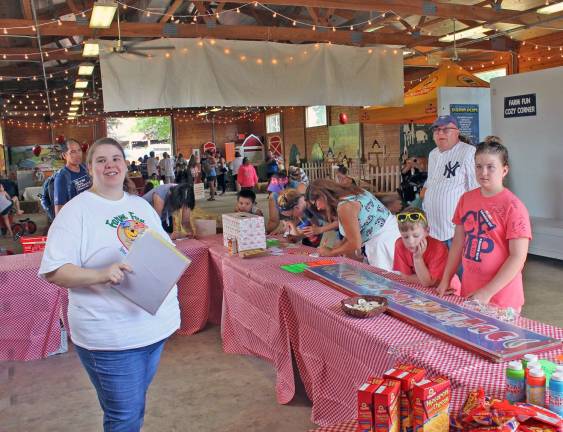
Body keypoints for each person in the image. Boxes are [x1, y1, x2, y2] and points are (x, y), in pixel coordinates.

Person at [38, 137, 180, 432]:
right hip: (111, 336)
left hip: (152, 329)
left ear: (126, 165)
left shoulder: (139, 207)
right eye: (100, 160)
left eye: (116, 158)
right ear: (89, 168)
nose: (110, 165)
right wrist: (102, 274)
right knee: (124, 417)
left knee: (134, 407)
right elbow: (54, 270)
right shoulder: (76, 212)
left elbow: (165, 249)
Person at [437, 140, 531, 312]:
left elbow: (518, 257)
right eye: (478, 166)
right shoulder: (466, 199)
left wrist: (488, 291)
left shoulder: (514, 207)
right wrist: (446, 279)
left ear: (504, 170)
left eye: (490, 167)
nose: (483, 172)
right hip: (470, 291)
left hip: (502, 298)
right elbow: (458, 243)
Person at [306, 179, 400, 270]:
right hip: (394, 234)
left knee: (388, 282)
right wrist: (337, 248)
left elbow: (355, 243)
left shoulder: (344, 207)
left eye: (316, 203)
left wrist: (331, 252)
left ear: (323, 195)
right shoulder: (355, 192)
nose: (318, 208)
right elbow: (352, 232)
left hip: (382, 244)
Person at [422, 115, 479, 246]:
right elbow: (431, 185)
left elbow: (475, 190)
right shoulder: (433, 154)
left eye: (446, 129)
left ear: (457, 132)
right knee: (439, 266)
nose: (440, 133)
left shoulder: (468, 151)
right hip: (433, 229)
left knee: (457, 266)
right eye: (436, 129)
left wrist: (472, 227)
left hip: (455, 232)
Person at [393, 207, 460, 291]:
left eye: (416, 235)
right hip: (422, 289)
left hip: (448, 289)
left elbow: (427, 282)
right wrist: (425, 278)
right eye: (405, 236)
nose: (410, 241)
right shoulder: (400, 245)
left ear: (427, 231)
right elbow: (406, 277)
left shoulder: (437, 248)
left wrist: (417, 259)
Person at [53, 138, 92, 216]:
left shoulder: (85, 168)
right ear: (64, 155)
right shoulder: (61, 177)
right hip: (75, 217)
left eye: (79, 150)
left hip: (90, 213)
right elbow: (59, 210)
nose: (78, 154)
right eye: (73, 152)